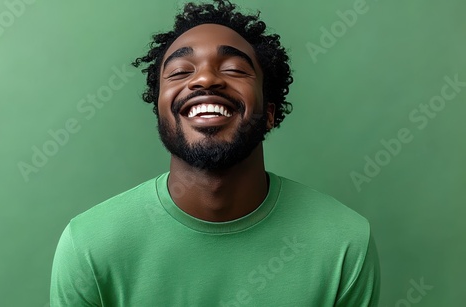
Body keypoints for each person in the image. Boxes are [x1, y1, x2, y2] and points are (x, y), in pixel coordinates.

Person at [50, 0, 380, 306]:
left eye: (235, 69)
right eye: (180, 71)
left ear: (268, 113)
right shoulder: (89, 246)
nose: (206, 78)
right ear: (161, 113)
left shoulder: (344, 243)